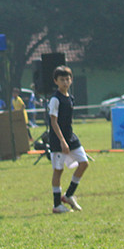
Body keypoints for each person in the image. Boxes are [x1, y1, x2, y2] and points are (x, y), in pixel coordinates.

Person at [47, 66, 89, 214]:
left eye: (67, 79)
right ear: (56, 81)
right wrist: (62, 141)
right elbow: (53, 122)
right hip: (58, 140)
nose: (65, 82)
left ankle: (69, 195)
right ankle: (57, 205)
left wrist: (68, 139)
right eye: (62, 80)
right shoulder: (55, 99)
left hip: (71, 137)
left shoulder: (70, 98)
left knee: (84, 163)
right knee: (58, 170)